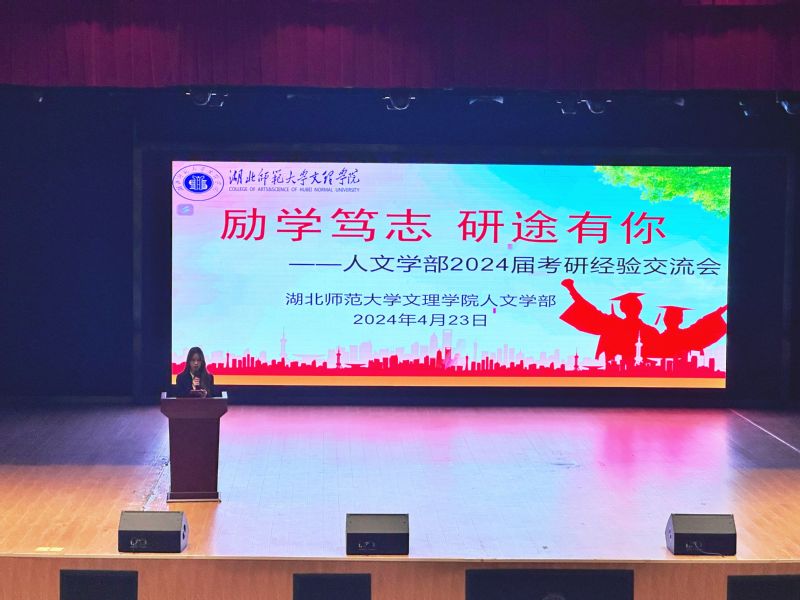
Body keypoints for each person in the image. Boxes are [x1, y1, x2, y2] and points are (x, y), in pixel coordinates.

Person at [560, 278, 659, 368]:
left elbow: (588, 310)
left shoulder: (612, 325)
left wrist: (571, 289)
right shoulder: (651, 331)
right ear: (640, 308)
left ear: (622, 309)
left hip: (611, 373)